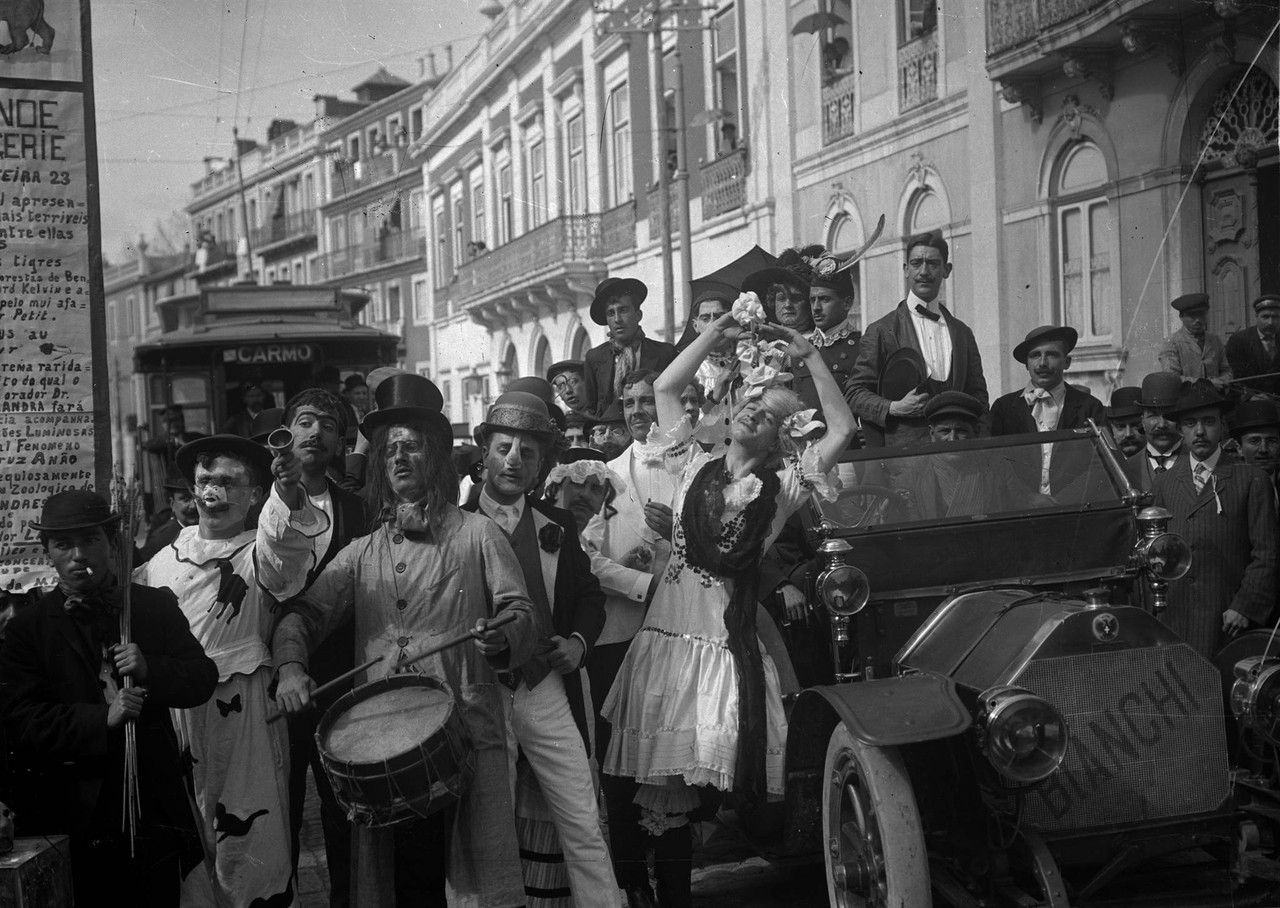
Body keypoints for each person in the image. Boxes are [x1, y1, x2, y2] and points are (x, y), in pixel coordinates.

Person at [602, 310, 855, 907]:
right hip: (667, 637)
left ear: (780, 435)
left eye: (767, 414)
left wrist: (812, 358)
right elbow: (666, 387)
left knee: (699, 790)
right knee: (661, 793)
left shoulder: (786, 484)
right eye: (749, 402)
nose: (751, 413)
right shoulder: (691, 459)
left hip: (721, 646)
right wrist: (714, 336)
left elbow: (841, 428)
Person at [271, 373, 537, 908]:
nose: (397, 458)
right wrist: (291, 666)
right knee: (400, 879)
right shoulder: (361, 552)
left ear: (435, 458)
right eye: (389, 449)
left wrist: (503, 635)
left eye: (411, 447)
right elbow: (301, 614)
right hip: (383, 744)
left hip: (464, 731)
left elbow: (519, 609)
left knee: (469, 878)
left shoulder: (478, 533)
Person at [0, 490, 218, 907]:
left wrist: (151, 667)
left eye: (91, 540)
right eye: (64, 544)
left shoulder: (152, 607)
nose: (79, 555)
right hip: (74, 813)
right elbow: (22, 720)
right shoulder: (28, 631)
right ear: (47, 552)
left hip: (153, 806)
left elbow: (202, 678)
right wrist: (102, 719)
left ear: (112, 543)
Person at [134, 433, 325, 907]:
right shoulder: (159, 561)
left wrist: (287, 490)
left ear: (255, 495)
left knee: (250, 830)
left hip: (243, 717)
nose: (211, 492)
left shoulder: (259, 553)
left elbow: (286, 545)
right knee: (191, 834)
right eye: (203, 480)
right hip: (180, 718)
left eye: (227, 482)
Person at [464, 392, 619, 908]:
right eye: (504, 447)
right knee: (487, 827)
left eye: (528, 454)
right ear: (483, 451)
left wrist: (577, 643)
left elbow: (591, 598)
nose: (514, 461)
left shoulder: (556, 524)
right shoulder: (453, 525)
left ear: (541, 467)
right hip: (481, 692)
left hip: (545, 687)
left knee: (581, 814)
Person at [582, 371, 678, 908]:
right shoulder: (603, 477)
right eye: (630, 402)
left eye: (647, 401)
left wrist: (672, 544)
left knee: (665, 754)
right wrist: (642, 578)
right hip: (616, 638)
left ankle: (675, 873)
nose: (639, 410)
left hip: (674, 632)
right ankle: (631, 879)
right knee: (617, 759)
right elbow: (587, 560)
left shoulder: (688, 469)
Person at [276, 389, 368, 908]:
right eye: (304, 422)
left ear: (341, 440)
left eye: (328, 425)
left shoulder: (359, 508)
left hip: (340, 678)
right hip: (273, 680)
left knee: (343, 809)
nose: (315, 433)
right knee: (277, 808)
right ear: (287, 434)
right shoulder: (256, 503)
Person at [1152, 385, 1276, 659]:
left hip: (1228, 619)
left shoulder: (1251, 479)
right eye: (1190, 423)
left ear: (1222, 426)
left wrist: (1245, 606)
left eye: (1208, 422)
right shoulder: (1165, 482)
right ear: (1180, 431)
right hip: (1177, 618)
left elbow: (1267, 554)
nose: (1199, 431)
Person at [845, 231, 988, 447]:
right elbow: (855, 393)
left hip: (959, 456)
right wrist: (894, 407)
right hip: (905, 460)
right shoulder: (882, 330)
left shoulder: (962, 332)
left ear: (946, 270)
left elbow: (979, 400)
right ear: (905, 269)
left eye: (933, 264)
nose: (924, 272)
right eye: (916, 263)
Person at [990, 325, 1106, 495]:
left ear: (1067, 362)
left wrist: (1064, 501)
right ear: (1026, 364)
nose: (1042, 363)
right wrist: (1027, 500)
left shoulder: (1090, 407)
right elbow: (995, 463)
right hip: (1020, 510)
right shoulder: (1004, 408)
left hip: (1073, 509)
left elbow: (1100, 464)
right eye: (1035, 355)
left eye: (1052, 354)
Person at [892, 392, 1034, 520]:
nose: (953, 439)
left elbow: (1019, 516)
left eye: (961, 430)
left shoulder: (998, 468)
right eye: (945, 431)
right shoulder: (910, 479)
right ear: (932, 433)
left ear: (976, 432)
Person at [582, 277, 677, 416]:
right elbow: (591, 409)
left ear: (638, 315)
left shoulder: (664, 353)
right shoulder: (595, 358)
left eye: (623, 310)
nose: (617, 319)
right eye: (610, 313)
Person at [797, 250, 861, 423]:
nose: (816, 307)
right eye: (812, 300)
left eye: (825, 299)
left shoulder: (863, 346)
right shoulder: (800, 349)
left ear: (847, 303)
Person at [1127, 372, 1187, 493]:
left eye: (1168, 415)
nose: (1161, 425)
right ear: (1142, 421)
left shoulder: (1197, 462)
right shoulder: (1125, 469)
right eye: (1153, 415)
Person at [1158, 293, 1232, 389]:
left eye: (1201, 315)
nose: (1197, 320)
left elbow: (1226, 370)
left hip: (1215, 398)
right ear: (1181, 317)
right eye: (1192, 316)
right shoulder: (1172, 343)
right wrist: (1206, 384)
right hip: (1186, 400)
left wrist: (1223, 380)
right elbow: (1172, 378)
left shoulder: (1214, 340)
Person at [137, 464, 199, 563]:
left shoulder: (217, 532)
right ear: (172, 504)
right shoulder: (160, 542)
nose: (194, 505)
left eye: (197, 497)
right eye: (186, 498)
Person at [1226, 294, 1280, 398]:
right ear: (1256, 316)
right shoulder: (1239, 340)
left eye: (1276, 317)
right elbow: (1235, 378)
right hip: (1249, 399)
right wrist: (1251, 397)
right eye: (1265, 317)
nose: (1270, 322)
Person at [1230, 398, 1280, 496]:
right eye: (1254, 441)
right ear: (1239, 447)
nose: (1263, 449)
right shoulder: (1229, 492)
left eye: (1271, 441)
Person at [1105, 386, 1146, 458]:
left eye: (1136, 425)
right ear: (1112, 429)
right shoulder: (1105, 465)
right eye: (1120, 426)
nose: (1128, 434)